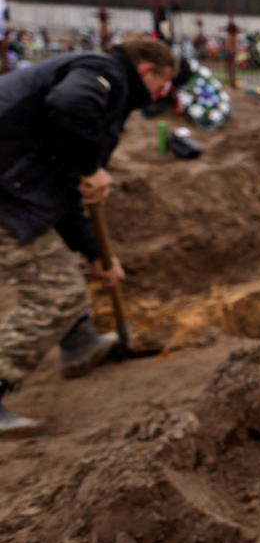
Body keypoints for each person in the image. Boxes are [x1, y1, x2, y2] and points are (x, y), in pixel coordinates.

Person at [0, 36, 176, 436]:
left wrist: (95, 252)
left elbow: (64, 191)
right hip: (7, 189)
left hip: (17, 186)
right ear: (147, 71)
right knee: (55, 293)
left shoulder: (97, 98)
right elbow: (70, 105)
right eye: (160, 85)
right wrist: (91, 166)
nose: (157, 96)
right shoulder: (102, 73)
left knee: (58, 264)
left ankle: (79, 343)